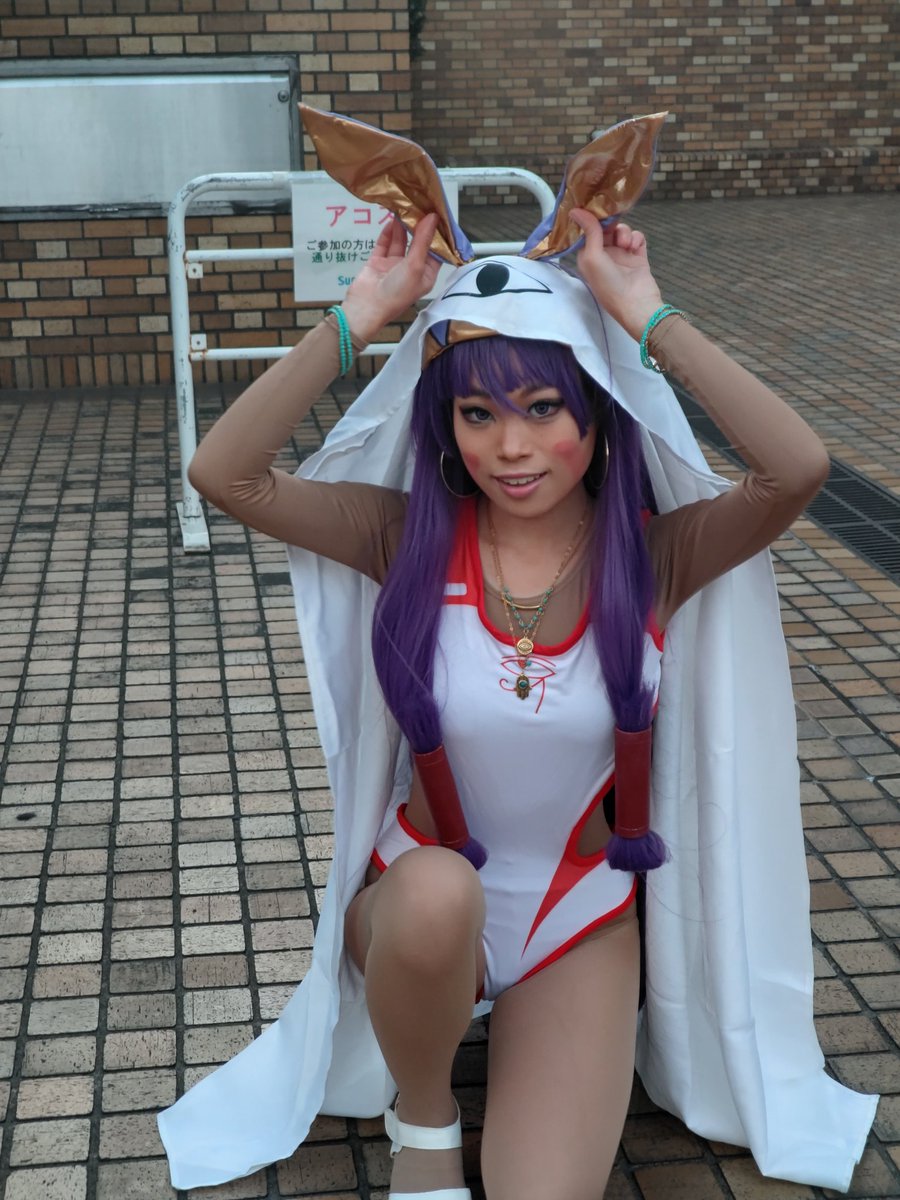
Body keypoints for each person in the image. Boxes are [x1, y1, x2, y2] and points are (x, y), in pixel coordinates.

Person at [158, 120, 878, 1197]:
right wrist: (363, 315)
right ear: (445, 423)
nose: (512, 447)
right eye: (479, 413)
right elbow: (228, 474)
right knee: (437, 895)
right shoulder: (406, 534)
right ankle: (425, 1118)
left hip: (575, 911)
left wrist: (644, 317)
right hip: (419, 899)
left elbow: (795, 468)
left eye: (545, 409)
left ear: (595, 410)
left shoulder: (653, 553)